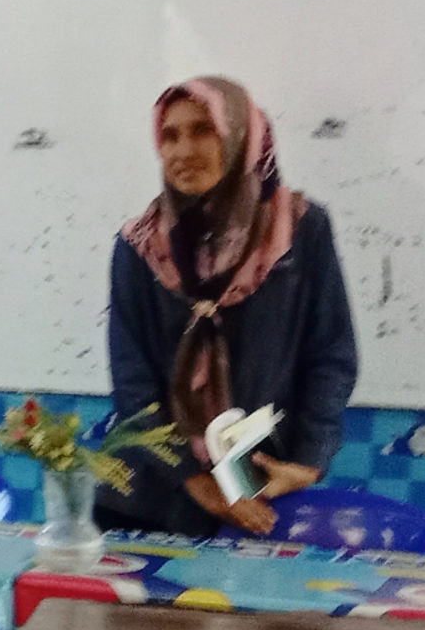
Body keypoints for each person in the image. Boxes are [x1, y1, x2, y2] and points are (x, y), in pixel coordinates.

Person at [101, 76, 357, 538]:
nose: (183, 150)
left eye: (203, 130)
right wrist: (192, 479)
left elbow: (331, 356)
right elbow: (132, 380)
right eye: (169, 135)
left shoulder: (300, 231)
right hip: (151, 496)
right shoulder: (140, 246)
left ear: (242, 136)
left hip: (266, 486)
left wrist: (307, 463)